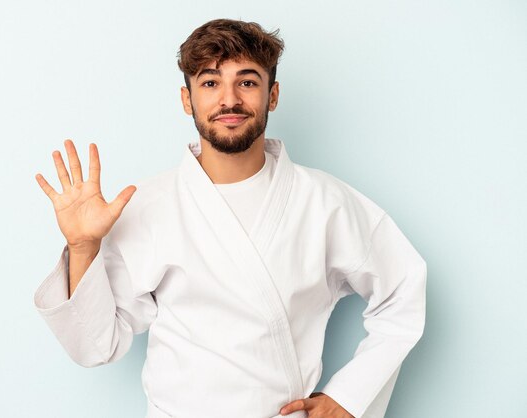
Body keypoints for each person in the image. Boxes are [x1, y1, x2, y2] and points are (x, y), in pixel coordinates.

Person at [33, 18, 427, 418]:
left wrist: (349, 397)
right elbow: (95, 345)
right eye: (209, 83)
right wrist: (84, 248)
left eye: (247, 82)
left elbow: (403, 288)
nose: (229, 99)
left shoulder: (326, 203)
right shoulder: (148, 206)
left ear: (272, 96)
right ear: (187, 100)